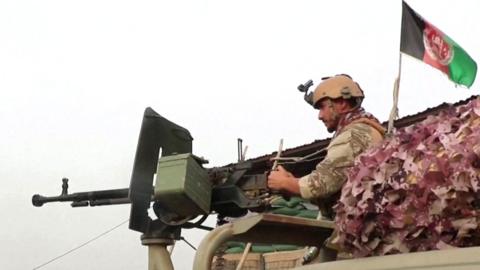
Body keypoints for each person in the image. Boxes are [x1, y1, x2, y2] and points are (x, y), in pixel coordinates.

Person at [267, 74, 385, 219]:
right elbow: (334, 191)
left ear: (342, 103)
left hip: (367, 228)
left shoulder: (354, 134)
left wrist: (285, 182)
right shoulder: (366, 130)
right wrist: (293, 184)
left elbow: (322, 183)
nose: (320, 116)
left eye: (322, 107)